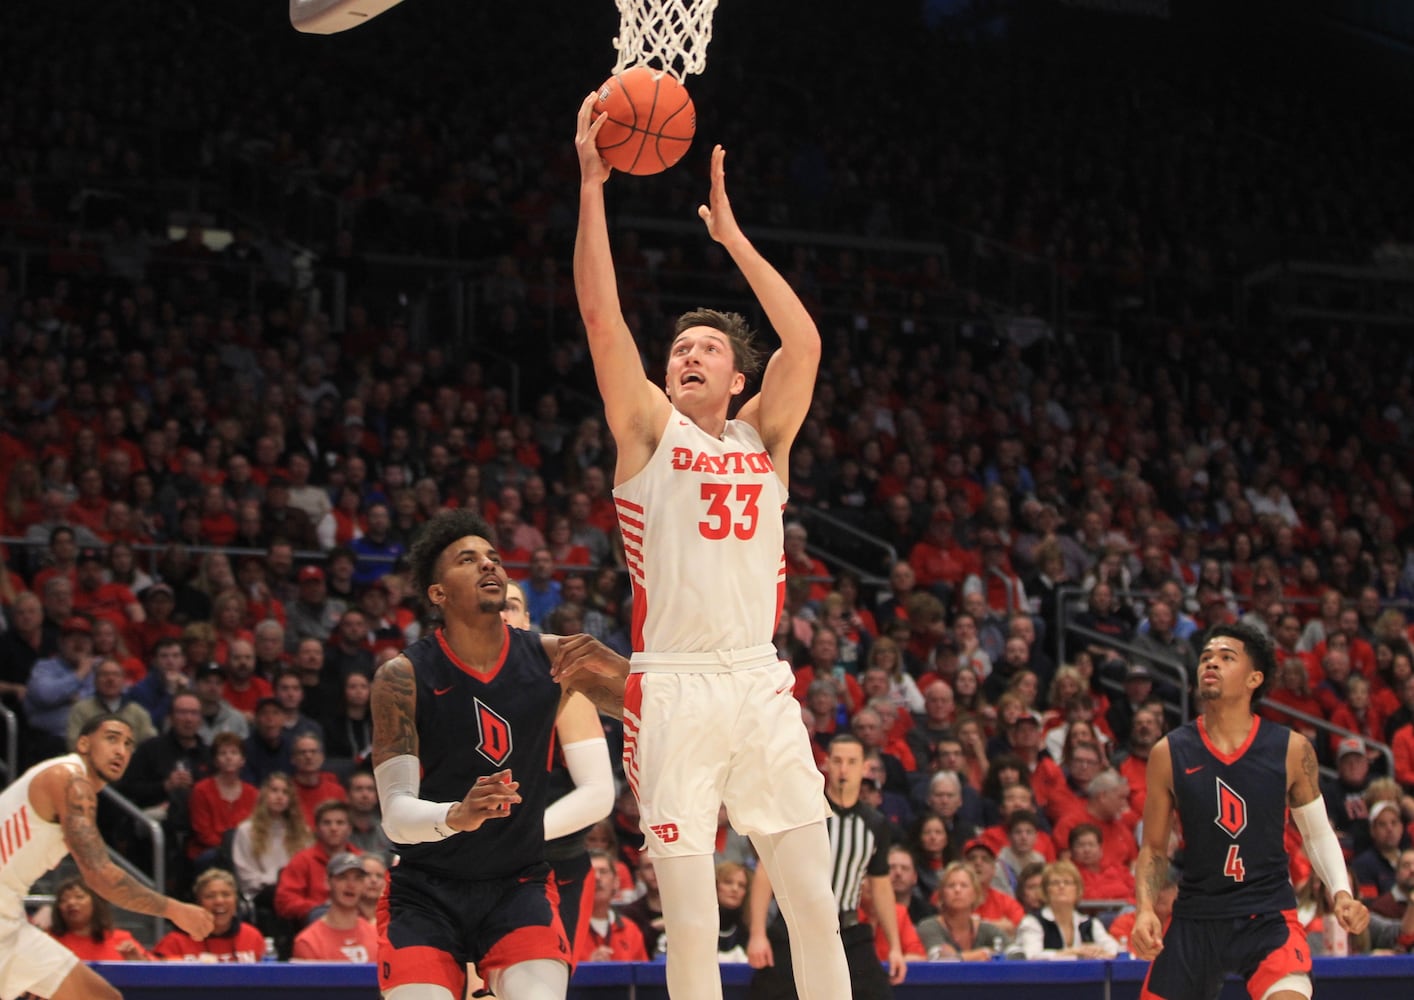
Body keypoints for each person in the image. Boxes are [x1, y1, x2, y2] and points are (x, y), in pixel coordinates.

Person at [575, 98, 851, 1000]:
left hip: (758, 681)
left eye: (707, 349)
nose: (687, 355)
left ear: (739, 379)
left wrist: (732, 238)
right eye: (678, 349)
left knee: (813, 902)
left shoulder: (763, 438)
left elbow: (804, 340)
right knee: (691, 924)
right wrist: (591, 187)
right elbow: (601, 320)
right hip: (675, 684)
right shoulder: (650, 435)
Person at [370, 509, 629, 1000]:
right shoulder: (401, 677)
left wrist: (626, 667)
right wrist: (459, 815)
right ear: (438, 593)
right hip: (425, 889)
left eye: (493, 557)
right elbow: (396, 816)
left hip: (519, 886)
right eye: (468, 560)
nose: (489, 565)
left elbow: (663, 714)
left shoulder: (556, 660)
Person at [1132, 623, 1370, 999]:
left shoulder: (1291, 749)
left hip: (1268, 915)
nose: (1211, 663)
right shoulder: (1169, 752)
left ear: (1254, 679)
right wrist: (1145, 908)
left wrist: (1341, 892)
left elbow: (1317, 832)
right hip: (1196, 917)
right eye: (1207, 657)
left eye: (1227, 658)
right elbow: (1155, 848)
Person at [0, 715, 213, 1000]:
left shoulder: (72, 783)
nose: (121, 751)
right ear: (84, 744)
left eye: (128, 744)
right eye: (111, 738)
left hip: (8, 915)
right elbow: (102, 876)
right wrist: (175, 910)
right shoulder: (71, 780)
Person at [503, 579, 616, 958]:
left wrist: (515, 836)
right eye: (490, 604)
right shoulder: (438, 681)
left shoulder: (561, 680)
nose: (501, 612)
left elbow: (598, 793)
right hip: (468, 864)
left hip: (552, 865)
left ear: (527, 618)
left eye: (511, 605)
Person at [746, 734, 905, 1000]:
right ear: (826, 764)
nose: (844, 769)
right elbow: (766, 872)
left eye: (852, 762)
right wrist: (758, 933)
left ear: (865, 767)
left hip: (849, 932)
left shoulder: (875, 824)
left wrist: (895, 947)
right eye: (838, 761)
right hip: (795, 927)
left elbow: (880, 885)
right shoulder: (804, 813)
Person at [154, 867, 265, 962]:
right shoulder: (175, 942)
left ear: (236, 900)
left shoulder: (253, 937)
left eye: (226, 894)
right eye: (210, 896)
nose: (219, 901)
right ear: (198, 903)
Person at [1015, 860, 1120, 959]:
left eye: (1067, 882)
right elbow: (1032, 956)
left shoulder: (1090, 923)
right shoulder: (1032, 922)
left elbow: (1116, 950)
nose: (1061, 886)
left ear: (1077, 889)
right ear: (1046, 890)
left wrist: (1098, 951)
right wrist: (1075, 952)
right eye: (1055, 883)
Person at [291, 851, 378, 962]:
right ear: (328, 882)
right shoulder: (308, 942)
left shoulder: (378, 937)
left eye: (357, 878)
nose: (351, 885)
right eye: (342, 877)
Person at [914, 861, 1010, 961]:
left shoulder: (986, 928)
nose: (957, 890)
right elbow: (940, 960)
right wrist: (983, 953)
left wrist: (957, 956)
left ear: (975, 893)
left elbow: (1017, 953)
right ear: (942, 894)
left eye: (964, 885)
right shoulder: (928, 927)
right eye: (951, 886)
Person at [48, 875, 153, 961]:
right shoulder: (47, 940)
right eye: (64, 900)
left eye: (79, 897)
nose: (71, 903)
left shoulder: (121, 939)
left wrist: (138, 963)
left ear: (96, 903)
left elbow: (155, 972)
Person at [574, 850, 649, 963]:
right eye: (590, 872)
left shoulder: (630, 930)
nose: (597, 877)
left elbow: (644, 978)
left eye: (603, 871)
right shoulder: (567, 930)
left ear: (616, 882)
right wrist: (586, 970)